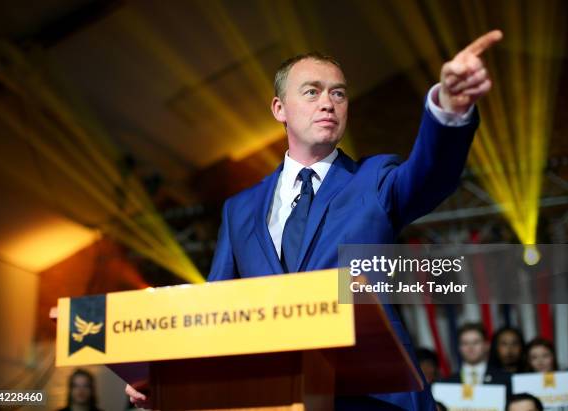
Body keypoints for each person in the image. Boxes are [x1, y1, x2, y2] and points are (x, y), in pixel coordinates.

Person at [127, 29, 503, 410]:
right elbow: (216, 309)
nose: (328, 102)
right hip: (277, 396)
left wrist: (449, 109)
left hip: (375, 397)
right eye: (312, 91)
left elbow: (431, 174)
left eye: (338, 93)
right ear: (279, 109)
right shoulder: (239, 209)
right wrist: (170, 380)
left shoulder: (374, 180)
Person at [444, 323, 510, 389]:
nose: (470, 347)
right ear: (459, 348)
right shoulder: (448, 383)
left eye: (476, 342)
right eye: (465, 343)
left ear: (487, 346)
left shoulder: (504, 378)